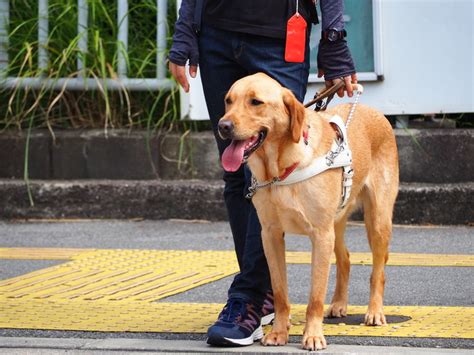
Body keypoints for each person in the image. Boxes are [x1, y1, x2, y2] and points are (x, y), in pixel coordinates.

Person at [169, 0, 357, 347]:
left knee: (278, 169)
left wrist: (334, 39)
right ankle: (259, 296)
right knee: (238, 167)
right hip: (215, 29)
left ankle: (251, 297)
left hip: (282, 30)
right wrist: (185, 30)